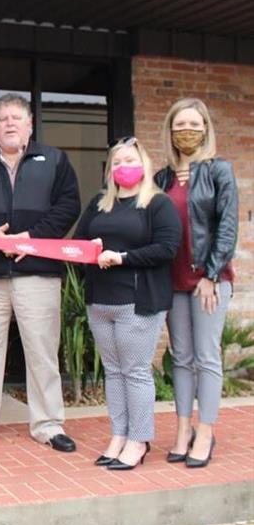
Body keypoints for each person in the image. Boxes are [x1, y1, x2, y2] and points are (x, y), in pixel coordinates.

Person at [0, 93, 80, 452]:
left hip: (38, 272)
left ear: (29, 125)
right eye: (2, 118)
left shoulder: (55, 160)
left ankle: (49, 424)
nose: (9, 123)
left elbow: (68, 205)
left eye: (16, 117)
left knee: (42, 351)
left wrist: (32, 238)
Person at [74, 137, 181, 470]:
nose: (123, 167)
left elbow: (167, 248)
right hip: (100, 302)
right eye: (117, 162)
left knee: (135, 372)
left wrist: (122, 258)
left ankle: (139, 440)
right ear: (109, 170)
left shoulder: (157, 204)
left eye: (130, 160)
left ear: (144, 164)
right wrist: (90, 249)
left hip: (138, 301)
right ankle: (119, 435)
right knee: (114, 372)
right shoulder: (99, 204)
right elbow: (78, 245)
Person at [155, 98, 238, 468]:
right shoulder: (162, 178)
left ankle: (205, 431)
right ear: (170, 132)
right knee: (182, 359)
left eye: (193, 124)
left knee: (206, 357)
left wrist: (212, 274)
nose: (186, 130)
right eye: (179, 124)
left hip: (208, 281)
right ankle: (182, 428)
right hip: (172, 281)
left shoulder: (220, 171)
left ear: (205, 128)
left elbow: (227, 227)